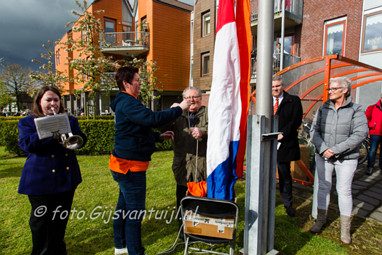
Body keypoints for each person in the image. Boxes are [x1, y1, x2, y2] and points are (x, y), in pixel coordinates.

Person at [109, 66, 190, 255]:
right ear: (126, 83)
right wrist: (179, 109)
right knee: (135, 213)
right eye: (136, 80)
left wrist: (157, 137)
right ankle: (135, 251)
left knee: (124, 207)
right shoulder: (128, 102)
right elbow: (151, 118)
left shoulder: (128, 101)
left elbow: (136, 129)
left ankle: (120, 246)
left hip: (124, 165)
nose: (140, 83)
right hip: (129, 167)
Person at [17, 86, 87, 255]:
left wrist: (71, 135)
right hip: (40, 181)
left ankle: (58, 250)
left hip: (65, 178)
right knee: (41, 223)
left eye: (56, 100)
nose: (53, 103)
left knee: (59, 221)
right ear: (39, 102)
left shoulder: (69, 120)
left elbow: (81, 139)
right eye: (48, 100)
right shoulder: (27, 122)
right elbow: (26, 145)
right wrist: (49, 131)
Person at [310, 77, 368, 244]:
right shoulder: (323, 109)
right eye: (329, 89)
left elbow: (360, 134)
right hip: (323, 156)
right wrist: (323, 149)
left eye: (334, 89)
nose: (330, 91)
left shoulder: (356, 110)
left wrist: (335, 150)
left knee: (344, 191)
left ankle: (345, 230)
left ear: (345, 90)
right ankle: (320, 220)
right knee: (323, 187)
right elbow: (315, 131)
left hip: (346, 159)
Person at [161, 87, 208, 223]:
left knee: (201, 194)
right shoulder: (177, 113)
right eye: (188, 98)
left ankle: (201, 224)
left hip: (202, 162)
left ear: (200, 99)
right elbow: (161, 127)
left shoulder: (208, 112)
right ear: (183, 100)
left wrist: (202, 131)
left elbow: (217, 129)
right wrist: (170, 112)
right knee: (182, 194)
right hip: (182, 164)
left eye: (195, 97)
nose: (191, 100)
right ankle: (183, 226)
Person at [272, 75, 303, 217]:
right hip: (268, 143)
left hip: (284, 143)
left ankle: (288, 204)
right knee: (266, 174)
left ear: (282, 86)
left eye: (277, 86)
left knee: (284, 174)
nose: (275, 89)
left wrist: (283, 133)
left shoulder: (293, 100)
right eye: (272, 87)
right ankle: (268, 200)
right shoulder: (266, 101)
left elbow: (296, 120)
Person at [365, 94, 382, 175]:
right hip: (375, 133)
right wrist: (371, 125)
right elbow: (365, 118)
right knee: (372, 150)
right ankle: (370, 166)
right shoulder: (372, 107)